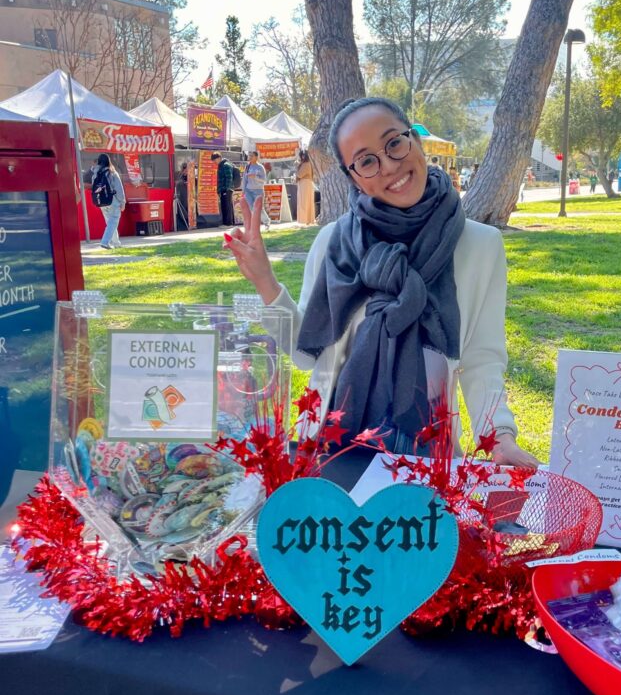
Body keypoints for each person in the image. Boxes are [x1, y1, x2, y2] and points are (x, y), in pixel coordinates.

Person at [225, 95, 538, 468]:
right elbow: (306, 354)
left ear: (415, 140)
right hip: (332, 448)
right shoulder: (333, 243)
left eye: (394, 143)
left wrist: (499, 436)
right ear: (353, 178)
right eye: (367, 161)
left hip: (428, 452)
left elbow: (482, 359)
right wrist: (265, 280)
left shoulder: (480, 245)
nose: (389, 166)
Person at [92, 152, 125, 250]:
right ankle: (105, 242)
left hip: (102, 202)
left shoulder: (95, 173)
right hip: (113, 202)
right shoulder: (113, 173)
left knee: (110, 223)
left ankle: (116, 243)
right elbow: (119, 189)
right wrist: (122, 202)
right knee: (113, 222)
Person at [243, 150, 271, 231]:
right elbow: (244, 179)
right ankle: (254, 225)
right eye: (249, 156)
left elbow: (264, 180)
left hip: (258, 190)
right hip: (248, 190)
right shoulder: (247, 167)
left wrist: (255, 177)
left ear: (256, 157)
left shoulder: (260, 167)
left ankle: (266, 222)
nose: (250, 157)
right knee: (251, 207)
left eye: (251, 156)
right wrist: (243, 190)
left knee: (259, 208)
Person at [212, 151, 236, 226]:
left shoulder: (226, 165)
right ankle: (225, 223)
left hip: (227, 189)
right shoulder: (221, 165)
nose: (214, 162)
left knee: (227, 206)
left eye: (215, 160)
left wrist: (227, 189)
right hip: (223, 189)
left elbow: (229, 177)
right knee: (223, 206)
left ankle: (229, 223)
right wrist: (219, 191)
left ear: (219, 158)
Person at [296, 148, 316, 225]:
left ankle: (305, 219)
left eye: (302, 156)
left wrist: (297, 167)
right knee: (308, 201)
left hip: (305, 184)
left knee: (304, 202)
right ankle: (308, 219)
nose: (302, 157)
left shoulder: (306, 164)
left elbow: (299, 175)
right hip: (307, 183)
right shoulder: (309, 163)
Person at [175, 161, 190, 231]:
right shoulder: (180, 176)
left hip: (189, 196)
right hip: (182, 195)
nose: (187, 172)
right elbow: (177, 183)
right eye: (186, 170)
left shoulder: (191, 176)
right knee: (183, 208)